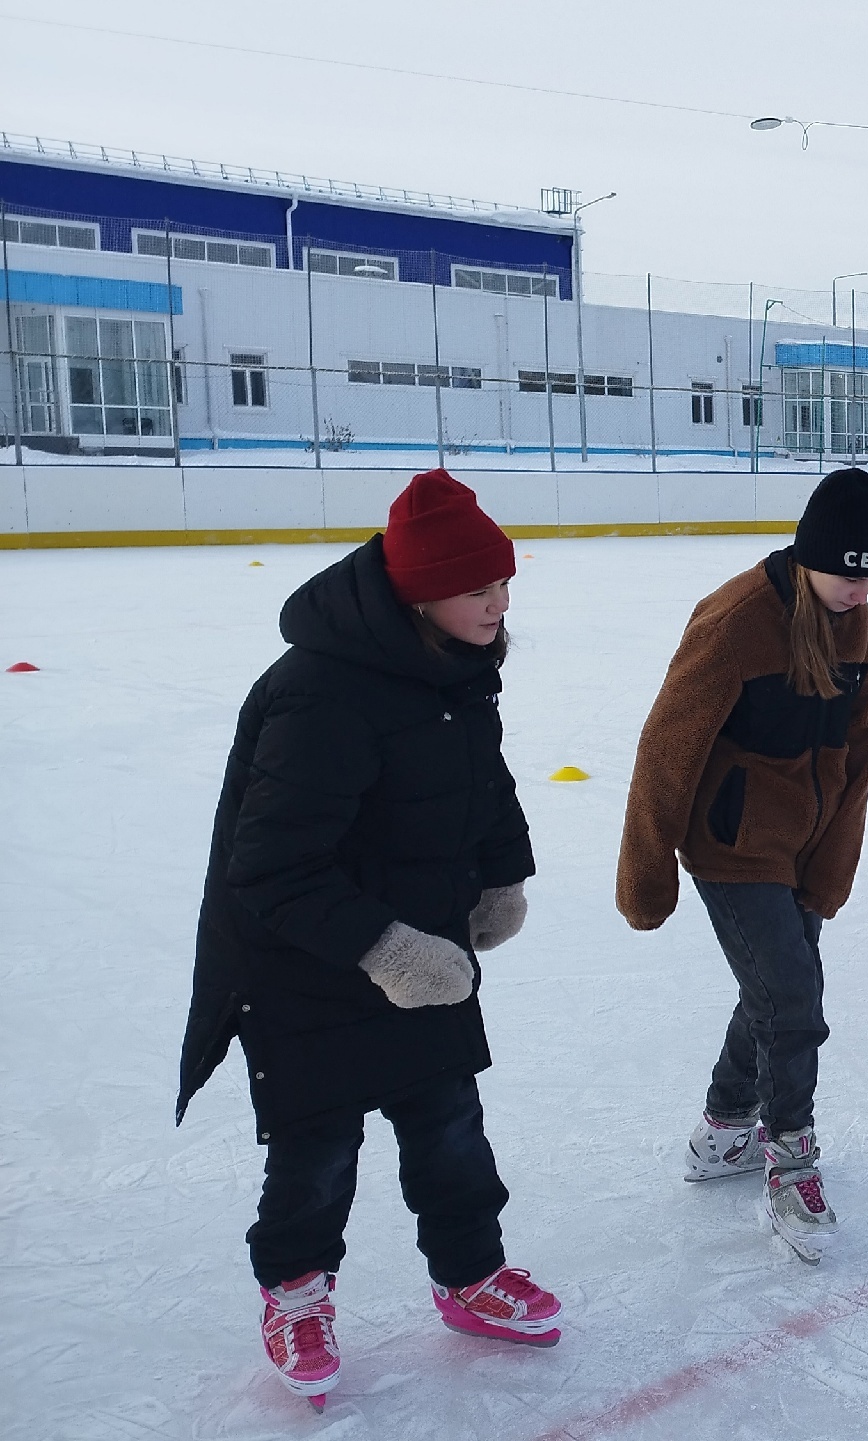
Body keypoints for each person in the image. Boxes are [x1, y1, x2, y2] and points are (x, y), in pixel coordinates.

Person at [178, 469, 560, 1411]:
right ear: (420, 590)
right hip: (301, 965)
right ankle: (297, 1293)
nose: (499, 604)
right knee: (316, 1155)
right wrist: (386, 949)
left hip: (418, 946)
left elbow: (485, 780)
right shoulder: (319, 694)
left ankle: (471, 1272)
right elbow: (267, 869)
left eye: (505, 583)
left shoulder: (456, 660)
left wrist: (505, 874)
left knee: (451, 1134)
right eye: (480, 588)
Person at [616, 468, 868, 1262]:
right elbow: (666, 746)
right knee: (793, 994)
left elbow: (860, 751)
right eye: (850, 570)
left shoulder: (861, 631)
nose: (863, 587)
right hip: (731, 844)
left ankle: (725, 1128)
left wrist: (833, 857)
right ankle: (790, 1155)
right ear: (810, 557)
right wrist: (648, 866)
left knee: (775, 984)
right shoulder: (737, 620)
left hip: (799, 842)